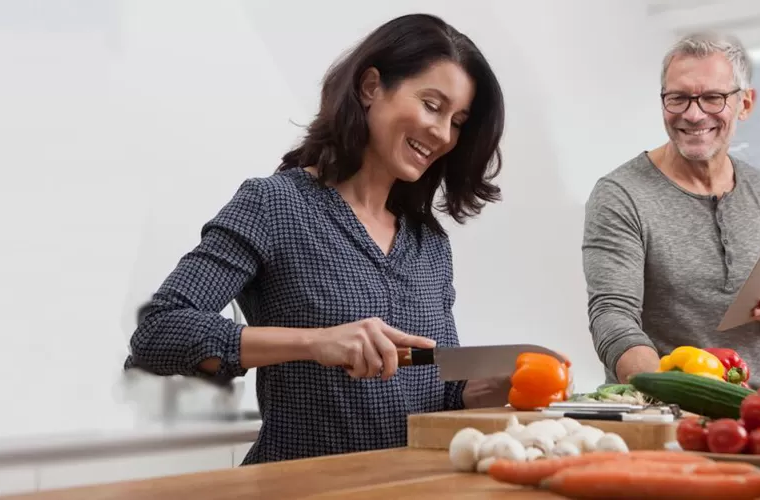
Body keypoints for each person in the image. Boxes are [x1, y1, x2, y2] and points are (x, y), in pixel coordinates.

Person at [124, 13, 509, 465]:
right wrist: (313, 343)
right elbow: (157, 333)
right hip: (296, 487)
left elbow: (433, 392)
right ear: (370, 87)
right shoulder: (274, 204)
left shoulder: (429, 244)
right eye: (432, 105)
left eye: (458, 121)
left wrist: (483, 391)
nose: (443, 134)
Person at [583, 32, 760, 388]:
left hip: (754, 417)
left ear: (745, 104)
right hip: (660, 411)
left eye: (712, 98)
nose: (693, 113)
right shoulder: (621, 195)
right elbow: (612, 316)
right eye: (678, 98)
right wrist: (667, 390)